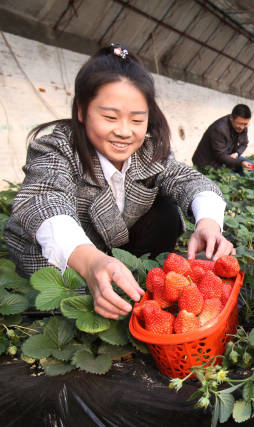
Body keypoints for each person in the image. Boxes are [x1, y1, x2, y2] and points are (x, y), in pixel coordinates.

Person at [4, 44, 235, 320]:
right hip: (57, 250)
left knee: (166, 214)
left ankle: (139, 280)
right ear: (81, 111)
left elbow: (188, 180)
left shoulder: (148, 150)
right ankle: (109, 284)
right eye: (110, 117)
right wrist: (91, 262)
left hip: (112, 243)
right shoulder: (58, 147)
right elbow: (44, 200)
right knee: (76, 305)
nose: (124, 132)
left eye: (137, 119)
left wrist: (208, 223)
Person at [192, 104, 254, 174]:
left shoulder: (243, 127)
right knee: (232, 178)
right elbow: (221, 156)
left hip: (227, 156)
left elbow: (244, 143)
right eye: (240, 124)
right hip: (209, 162)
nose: (242, 127)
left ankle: (243, 179)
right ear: (231, 118)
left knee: (251, 165)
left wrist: (236, 154)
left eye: (245, 124)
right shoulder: (219, 129)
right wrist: (241, 163)